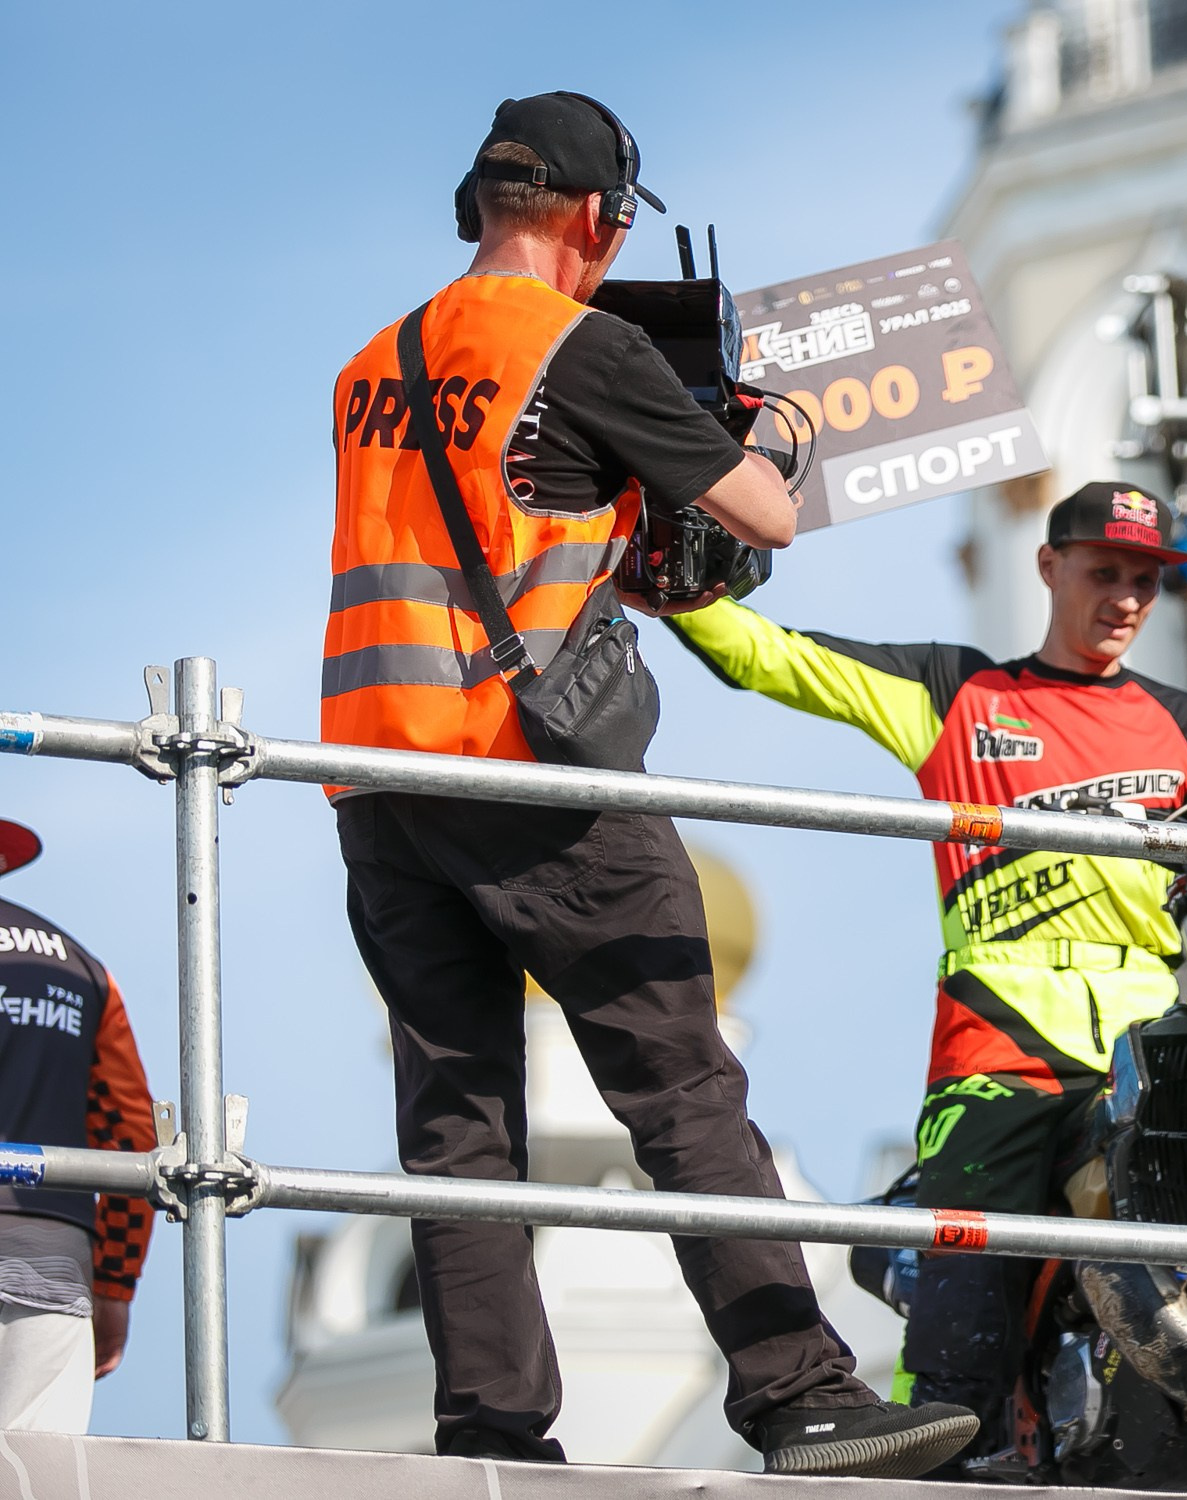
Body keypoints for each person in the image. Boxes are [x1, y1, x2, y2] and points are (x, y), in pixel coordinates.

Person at [322, 91, 973, 1477]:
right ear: (596, 219)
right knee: (681, 1088)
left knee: (457, 1130)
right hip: (530, 777)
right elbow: (763, 516)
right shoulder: (586, 346)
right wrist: (776, 432)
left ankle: (488, 1431)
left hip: (374, 783)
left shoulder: (373, 361)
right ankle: (800, 1394)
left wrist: (626, 519)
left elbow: (502, 538)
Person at [666, 482, 1187, 1468]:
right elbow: (774, 660)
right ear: (1048, 564)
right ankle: (936, 1457)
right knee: (965, 1287)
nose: (1125, 600)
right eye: (1105, 572)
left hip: (1155, 1033)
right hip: (1005, 1037)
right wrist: (672, 585)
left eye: (1145, 582)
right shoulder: (958, 694)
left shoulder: (1183, 719)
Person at [0, 818, 156, 1432]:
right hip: (50, 1256)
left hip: (51, 1255)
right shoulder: (83, 970)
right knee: (40, 1477)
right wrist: (113, 1285)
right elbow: (132, 1137)